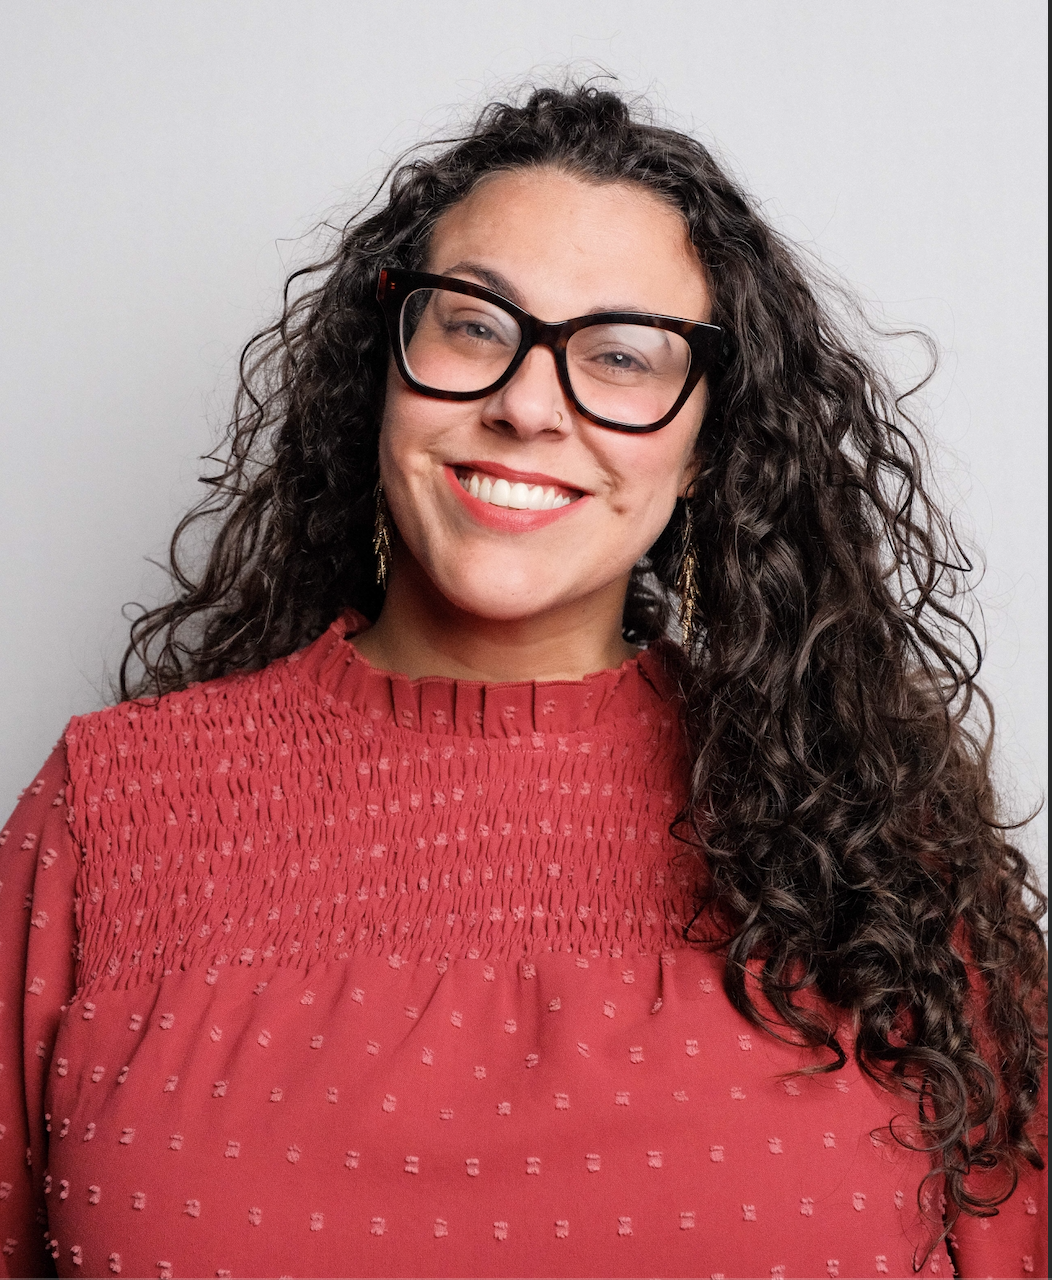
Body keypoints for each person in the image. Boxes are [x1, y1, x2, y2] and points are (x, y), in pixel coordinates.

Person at [0, 82, 1045, 1280]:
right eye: (474, 325)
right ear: (379, 368)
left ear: (709, 446)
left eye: (618, 356)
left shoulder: (868, 842)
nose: (526, 406)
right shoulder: (110, 810)